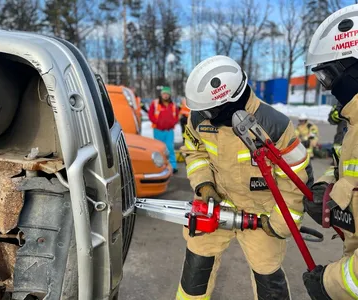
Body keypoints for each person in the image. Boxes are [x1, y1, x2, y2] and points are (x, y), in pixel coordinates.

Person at [176, 55, 312, 300]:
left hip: (263, 214)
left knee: (268, 275)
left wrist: (280, 224)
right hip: (216, 205)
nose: (204, 115)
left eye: (209, 110)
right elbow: (194, 152)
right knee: (196, 266)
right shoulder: (198, 118)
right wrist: (204, 185)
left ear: (229, 102)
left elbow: (295, 179)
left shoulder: (275, 126)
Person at [302, 4, 358, 300]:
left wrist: (330, 284)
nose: (328, 88)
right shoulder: (354, 124)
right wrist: (327, 189)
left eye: (327, 77)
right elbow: (346, 165)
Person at [148, 86, 179, 173]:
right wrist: (157, 122)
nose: (165, 96)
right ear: (161, 94)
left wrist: (173, 122)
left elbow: (176, 116)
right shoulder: (155, 103)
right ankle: (159, 166)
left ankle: (173, 166)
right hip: (158, 130)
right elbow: (150, 115)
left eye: (167, 94)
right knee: (158, 149)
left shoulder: (173, 105)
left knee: (170, 148)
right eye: (164, 94)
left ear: (169, 95)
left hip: (169, 131)